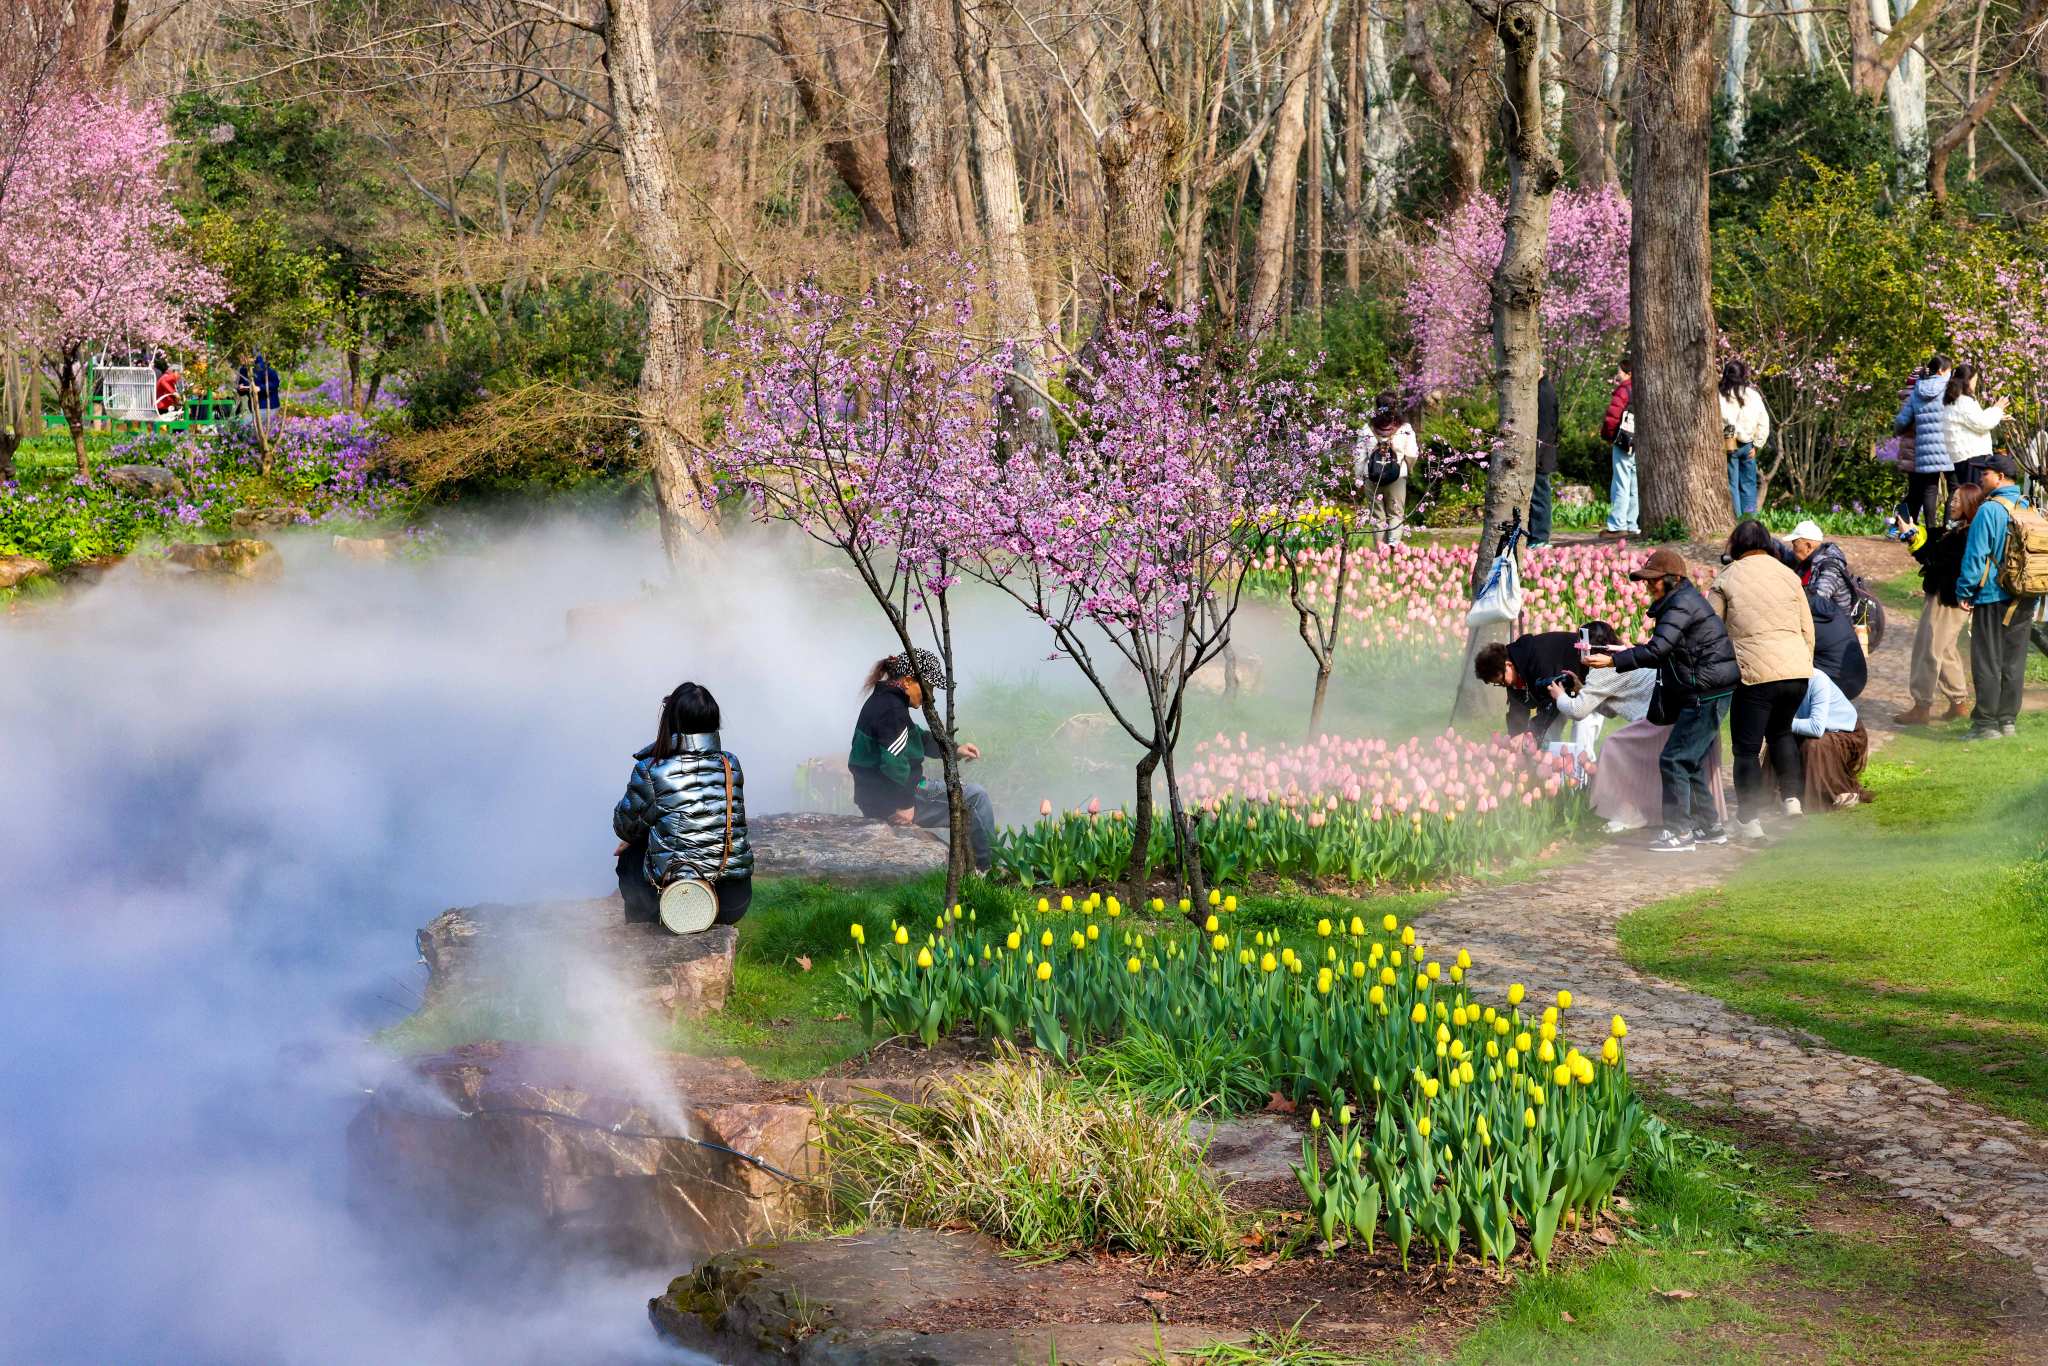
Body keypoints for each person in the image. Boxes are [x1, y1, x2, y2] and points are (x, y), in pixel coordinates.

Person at [1584, 547, 1740, 853]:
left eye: (1653, 580)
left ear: (1672, 579)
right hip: (1710, 688)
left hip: (1704, 690)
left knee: (1674, 759)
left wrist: (1613, 663)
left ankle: (1679, 833)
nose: (1648, 585)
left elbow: (1658, 651)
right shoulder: (1681, 601)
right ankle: (1708, 827)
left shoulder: (1679, 605)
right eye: (1646, 580)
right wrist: (1625, 655)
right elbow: (1663, 648)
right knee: (1688, 760)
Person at [1551, 621, 1728, 834]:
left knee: (1614, 746)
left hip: (1660, 718)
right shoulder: (1624, 656)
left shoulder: (1602, 670)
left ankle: (1629, 811)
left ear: (1587, 647)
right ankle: (1671, 814)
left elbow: (1577, 712)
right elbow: (1612, 709)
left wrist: (1559, 696)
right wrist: (1582, 689)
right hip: (1677, 710)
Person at [612, 682, 754, 929]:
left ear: (670, 720)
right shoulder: (730, 764)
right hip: (733, 899)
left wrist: (639, 836)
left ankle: (642, 931)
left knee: (630, 854)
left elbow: (624, 827)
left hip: (678, 901)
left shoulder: (651, 768)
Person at [1712, 519, 1814, 840]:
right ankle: (1792, 802)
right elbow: (1806, 628)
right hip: (1796, 670)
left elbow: (1712, 631)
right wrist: (1802, 662)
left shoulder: (1726, 578)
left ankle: (1749, 819)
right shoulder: (1789, 575)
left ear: (1736, 545)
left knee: (1746, 748)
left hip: (1754, 673)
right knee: (1781, 733)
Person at [849, 648, 995, 870]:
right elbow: (894, 765)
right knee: (976, 798)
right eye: (928, 687)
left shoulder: (885, 701)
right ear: (908, 681)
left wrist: (955, 749)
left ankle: (974, 868)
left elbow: (919, 739)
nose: (931, 695)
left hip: (877, 795)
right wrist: (905, 804)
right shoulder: (892, 710)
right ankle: (986, 871)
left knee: (969, 795)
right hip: (892, 798)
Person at [1956, 453, 2038, 740]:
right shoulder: (2029, 506)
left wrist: (1965, 591)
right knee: (2013, 661)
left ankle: (1986, 725)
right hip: (2026, 594)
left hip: (1993, 595)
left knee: (1987, 660)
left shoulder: (1989, 510)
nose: (1980, 478)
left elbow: (1976, 556)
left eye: (1985, 474)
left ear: (2001, 478)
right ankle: (2007, 722)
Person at [1896, 482, 1982, 725]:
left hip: (1948, 599)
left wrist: (1913, 540)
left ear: (1970, 505)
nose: (1952, 503)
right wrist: (1914, 533)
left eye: (1957, 500)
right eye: (1952, 499)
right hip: (1947, 596)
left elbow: (1936, 561)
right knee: (1944, 649)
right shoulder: (1956, 529)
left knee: (1928, 648)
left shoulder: (1965, 535)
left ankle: (1921, 706)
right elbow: (1933, 545)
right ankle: (1958, 703)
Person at [1473, 630, 1585, 743]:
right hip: (1563, 692)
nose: (1503, 685)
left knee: (1581, 734)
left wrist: (1530, 733)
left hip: (1588, 680)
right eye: (1499, 684)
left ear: (1508, 665)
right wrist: (1515, 737)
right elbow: (1518, 710)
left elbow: (1551, 704)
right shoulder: (1515, 666)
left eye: (1502, 681)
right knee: (1544, 738)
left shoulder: (1538, 660)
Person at [1784, 669, 1873, 811]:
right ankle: (1786, 792)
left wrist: (1780, 723)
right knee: (1780, 738)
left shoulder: (1818, 679)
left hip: (1846, 732)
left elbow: (1816, 727)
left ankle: (1841, 790)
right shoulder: (1777, 680)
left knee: (1813, 745)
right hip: (1813, 728)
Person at [1893, 355, 1953, 528]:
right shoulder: (1949, 387)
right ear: (1942, 371)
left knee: (1928, 489)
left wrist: (1897, 431)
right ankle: (1948, 525)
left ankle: (1929, 528)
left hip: (1923, 448)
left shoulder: (1917, 390)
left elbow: (1902, 420)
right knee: (1954, 486)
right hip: (1947, 446)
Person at [1355, 392, 1418, 546]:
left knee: (1377, 516)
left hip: (1372, 478)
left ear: (1377, 407)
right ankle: (1393, 546)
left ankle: (1379, 551)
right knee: (1396, 513)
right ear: (1395, 407)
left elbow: (1359, 457)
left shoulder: (1367, 428)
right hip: (1397, 477)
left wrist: (1358, 478)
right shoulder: (1405, 428)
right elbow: (1412, 454)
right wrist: (1408, 469)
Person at [1717, 360, 1771, 519]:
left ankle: (1737, 519)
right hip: (1748, 445)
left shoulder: (1719, 395)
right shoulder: (1753, 395)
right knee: (1748, 485)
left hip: (1728, 444)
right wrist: (1757, 444)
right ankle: (1750, 520)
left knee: (1732, 485)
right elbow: (1763, 422)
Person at [1941, 362, 2004, 489]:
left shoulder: (1950, 400)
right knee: (1973, 495)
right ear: (1967, 381)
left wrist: (1997, 414)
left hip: (1957, 457)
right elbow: (1982, 423)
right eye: (1975, 380)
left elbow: (1974, 419)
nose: (1975, 384)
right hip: (1971, 457)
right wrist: (1997, 409)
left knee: (1960, 496)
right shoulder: (1964, 401)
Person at [1598, 361, 1639, 536]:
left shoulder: (1624, 390)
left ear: (1627, 373)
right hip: (1639, 442)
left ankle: (1617, 524)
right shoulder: (1642, 388)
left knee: (1621, 483)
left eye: (1619, 372)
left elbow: (1612, 417)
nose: (1618, 375)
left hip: (1623, 441)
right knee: (1635, 486)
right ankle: (1632, 523)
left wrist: (1608, 436)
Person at [1805, 589, 1867, 702]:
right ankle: (1849, 716)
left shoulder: (1809, 621)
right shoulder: (1828, 606)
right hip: (1857, 679)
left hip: (1840, 684)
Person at [1785, 519, 1854, 616]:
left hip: (1836, 624)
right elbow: (1785, 554)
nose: (1793, 550)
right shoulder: (1810, 558)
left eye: (1795, 545)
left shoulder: (1830, 568)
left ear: (1808, 546)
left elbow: (1818, 601)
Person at [1528, 371, 1559, 547]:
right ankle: (1536, 536)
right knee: (1537, 496)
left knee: (1540, 496)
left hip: (1541, 454)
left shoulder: (1544, 392)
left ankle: (1540, 538)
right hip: (1540, 452)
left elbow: (1545, 428)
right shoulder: (1540, 389)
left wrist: (1535, 455)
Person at [235, 350, 281, 437]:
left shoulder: (264, 368)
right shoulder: (243, 369)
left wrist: (260, 388)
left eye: (243, 357)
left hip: (268, 406)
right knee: (252, 429)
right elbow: (242, 388)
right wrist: (240, 388)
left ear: (252, 357)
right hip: (254, 406)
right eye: (239, 358)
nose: (241, 360)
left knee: (246, 424)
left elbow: (275, 383)